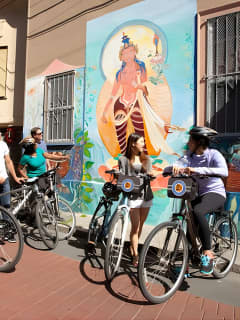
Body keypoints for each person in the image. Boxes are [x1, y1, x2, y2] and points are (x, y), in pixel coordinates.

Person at [102, 33, 177, 156]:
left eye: (130, 51)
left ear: (135, 52)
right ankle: (124, 159)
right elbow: (113, 94)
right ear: (121, 57)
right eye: (125, 53)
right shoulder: (119, 73)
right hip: (121, 104)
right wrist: (105, 112)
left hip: (136, 102)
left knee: (140, 133)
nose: (128, 55)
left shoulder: (141, 67)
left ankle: (144, 158)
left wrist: (139, 86)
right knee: (121, 136)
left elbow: (145, 90)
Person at [167, 126, 228, 275]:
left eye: (190, 140)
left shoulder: (214, 154)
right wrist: (173, 167)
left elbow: (224, 171)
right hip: (197, 193)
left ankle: (208, 252)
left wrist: (197, 170)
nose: (188, 143)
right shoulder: (190, 156)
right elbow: (180, 163)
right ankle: (185, 265)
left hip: (215, 193)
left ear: (199, 142)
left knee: (198, 211)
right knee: (190, 226)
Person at [118, 133, 153, 267]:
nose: (143, 144)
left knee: (140, 227)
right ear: (133, 143)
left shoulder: (147, 160)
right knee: (135, 226)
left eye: (143, 142)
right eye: (141, 142)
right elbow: (123, 176)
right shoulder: (123, 160)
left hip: (146, 196)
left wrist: (151, 174)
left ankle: (133, 247)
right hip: (133, 196)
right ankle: (135, 256)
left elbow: (150, 175)